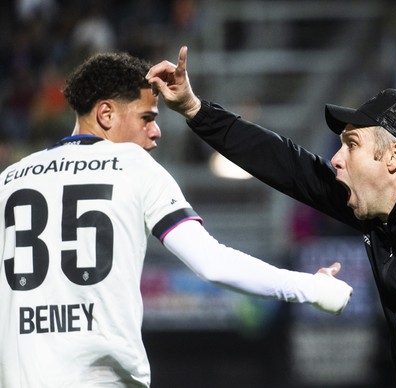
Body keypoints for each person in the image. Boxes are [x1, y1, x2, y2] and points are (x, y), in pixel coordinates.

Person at [147, 46, 396, 387]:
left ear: (394, 157)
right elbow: (286, 164)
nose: (336, 158)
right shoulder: (379, 215)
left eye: (351, 144)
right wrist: (196, 110)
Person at [0, 51, 353, 388]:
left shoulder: (9, 179)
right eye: (147, 118)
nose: (156, 132)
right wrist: (312, 288)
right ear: (106, 114)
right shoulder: (133, 166)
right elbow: (212, 262)